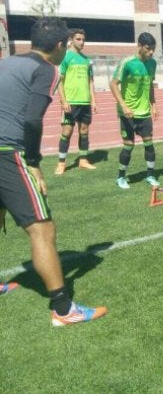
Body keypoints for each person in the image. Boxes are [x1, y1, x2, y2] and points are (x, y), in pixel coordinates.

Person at [0, 17, 107, 325]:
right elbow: (33, 121)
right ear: (61, 45)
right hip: (8, 153)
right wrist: (33, 164)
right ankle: (63, 309)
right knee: (42, 229)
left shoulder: (8, 62)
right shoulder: (47, 69)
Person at [110, 32, 160, 189]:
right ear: (139, 46)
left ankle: (150, 175)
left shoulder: (152, 63)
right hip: (128, 113)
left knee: (149, 144)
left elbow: (150, 84)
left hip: (144, 112)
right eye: (148, 48)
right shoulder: (128, 63)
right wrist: (124, 105)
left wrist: (154, 104)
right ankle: (121, 177)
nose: (151, 52)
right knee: (129, 145)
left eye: (153, 49)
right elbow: (113, 84)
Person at [55, 28, 98, 174]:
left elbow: (90, 82)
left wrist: (94, 101)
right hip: (71, 102)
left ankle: (83, 160)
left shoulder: (87, 60)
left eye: (83, 39)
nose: (82, 42)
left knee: (84, 131)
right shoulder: (65, 57)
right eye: (79, 39)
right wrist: (63, 101)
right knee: (67, 131)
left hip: (85, 102)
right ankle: (61, 163)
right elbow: (59, 81)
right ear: (71, 40)